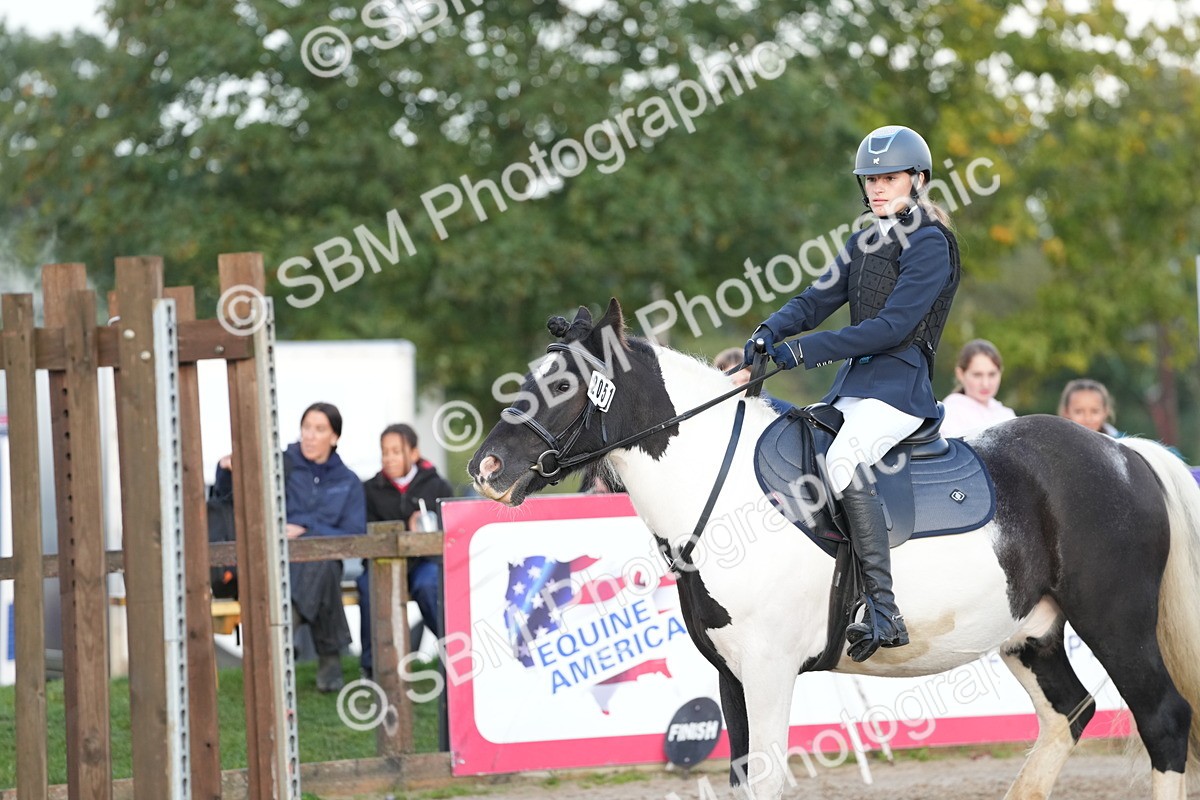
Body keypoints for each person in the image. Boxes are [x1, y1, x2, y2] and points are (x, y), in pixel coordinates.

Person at [743, 124, 960, 662]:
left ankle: (884, 609)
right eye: (870, 179)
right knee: (798, 445)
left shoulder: (931, 243)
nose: (877, 188)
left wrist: (803, 351)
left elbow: (891, 328)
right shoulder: (863, 241)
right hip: (855, 388)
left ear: (918, 179)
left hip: (899, 390)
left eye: (889, 178)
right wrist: (770, 330)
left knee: (842, 460)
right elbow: (815, 300)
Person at [214, 401, 366, 692]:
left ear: (334, 437)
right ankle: (329, 657)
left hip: (322, 560)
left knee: (323, 562)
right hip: (276, 563)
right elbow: (228, 499)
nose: (309, 435)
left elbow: (355, 534)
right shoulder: (278, 463)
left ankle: (285, 629)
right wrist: (225, 470)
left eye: (319, 429)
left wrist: (307, 530)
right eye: (306, 427)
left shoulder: (348, 481)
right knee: (323, 570)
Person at [360, 424, 454, 678]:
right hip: (383, 562)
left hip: (425, 562)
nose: (389, 458)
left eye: (396, 451)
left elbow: (451, 531)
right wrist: (406, 528)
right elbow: (365, 531)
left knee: (429, 584)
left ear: (413, 453)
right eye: (384, 452)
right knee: (368, 587)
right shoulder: (369, 489)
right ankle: (370, 666)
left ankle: (454, 652)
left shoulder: (438, 486)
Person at [940, 339, 1016, 437]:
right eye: (977, 375)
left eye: (992, 374)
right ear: (960, 374)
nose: (985, 384)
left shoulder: (1007, 415)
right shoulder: (949, 415)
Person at [713, 346, 793, 414]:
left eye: (745, 381)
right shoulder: (714, 415)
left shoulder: (786, 413)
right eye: (731, 383)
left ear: (757, 377)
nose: (739, 388)